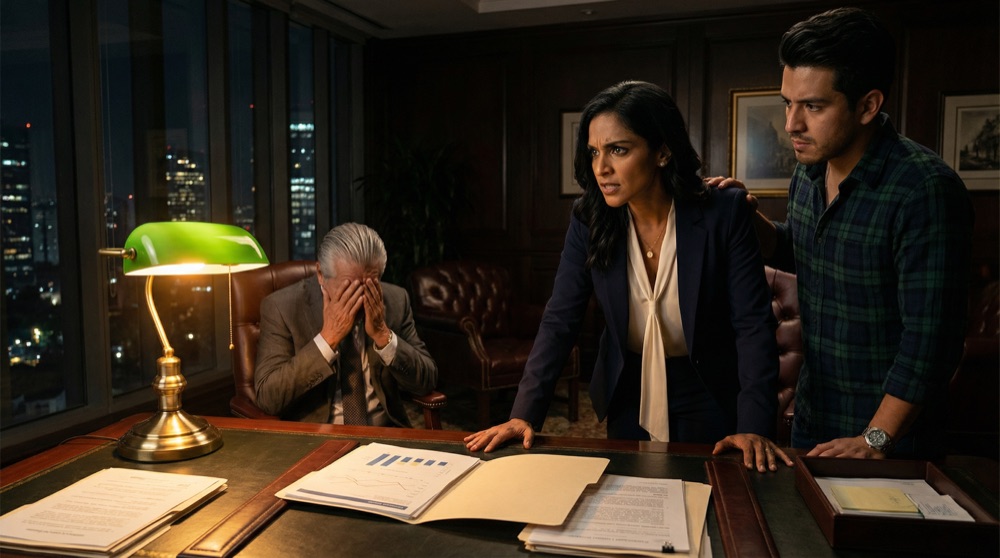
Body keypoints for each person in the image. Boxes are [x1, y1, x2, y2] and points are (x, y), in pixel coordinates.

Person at [465, 80, 793, 473]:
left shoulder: (724, 211)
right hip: (628, 386)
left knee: (711, 503)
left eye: (618, 150)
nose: (601, 168)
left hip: (708, 387)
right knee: (631, 502)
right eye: (594, 152)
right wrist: (524, 414)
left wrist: (753, 427)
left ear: (663, 151)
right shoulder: (590, 217)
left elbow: (752, 326)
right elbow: (560, 318)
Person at [710, 7, 973, 459]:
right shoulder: (808, 173)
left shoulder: (924, 189)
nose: (792, 123)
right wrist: (744, 218)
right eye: (787, 103)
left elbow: (930, 345)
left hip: (889, 438)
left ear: (868, 105)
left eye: (812, 106)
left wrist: (876, 439)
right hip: (813, 416)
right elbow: (799, 252)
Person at [255, 222, 438, 426]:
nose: (360, 299)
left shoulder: (395, 299)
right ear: (321, 275)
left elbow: (427, 380)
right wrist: (327, 339)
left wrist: (383, 335)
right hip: (317, 438)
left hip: (386, 434)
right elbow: (268, 397)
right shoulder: (283, 307)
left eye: (369, 286)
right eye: (349, 289)